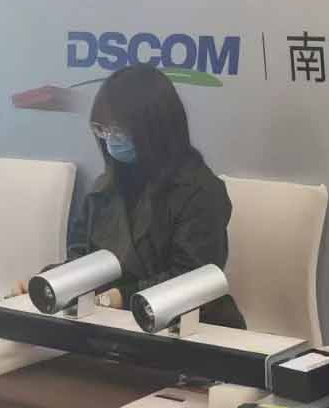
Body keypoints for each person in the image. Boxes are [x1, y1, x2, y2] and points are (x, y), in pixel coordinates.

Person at [21, 65, 244, 329]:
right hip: (112, 324)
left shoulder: (200, 192)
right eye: (102, 130)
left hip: (190, 330)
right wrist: (49, 283)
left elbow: (193, 280)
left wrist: (122, 297)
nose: (109, 140)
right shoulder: (102, 189)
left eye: (118, 131)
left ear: (155, 130)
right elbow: (81, 262)